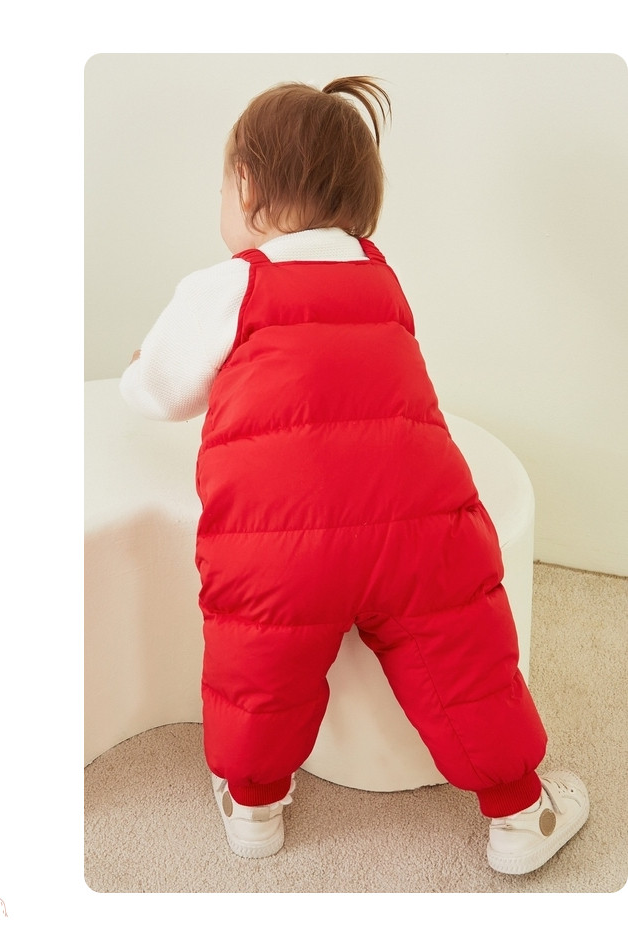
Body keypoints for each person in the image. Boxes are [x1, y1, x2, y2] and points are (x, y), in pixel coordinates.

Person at [119, 76, 589, 874]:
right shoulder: (380, 273)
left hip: (280, 548)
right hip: (420, 528)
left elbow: (156, 394)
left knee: (258, 667)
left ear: (246, 187)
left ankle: (254, 806)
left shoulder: (229, 283)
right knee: (466, 662)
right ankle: (520, 812)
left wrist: (141, 364)